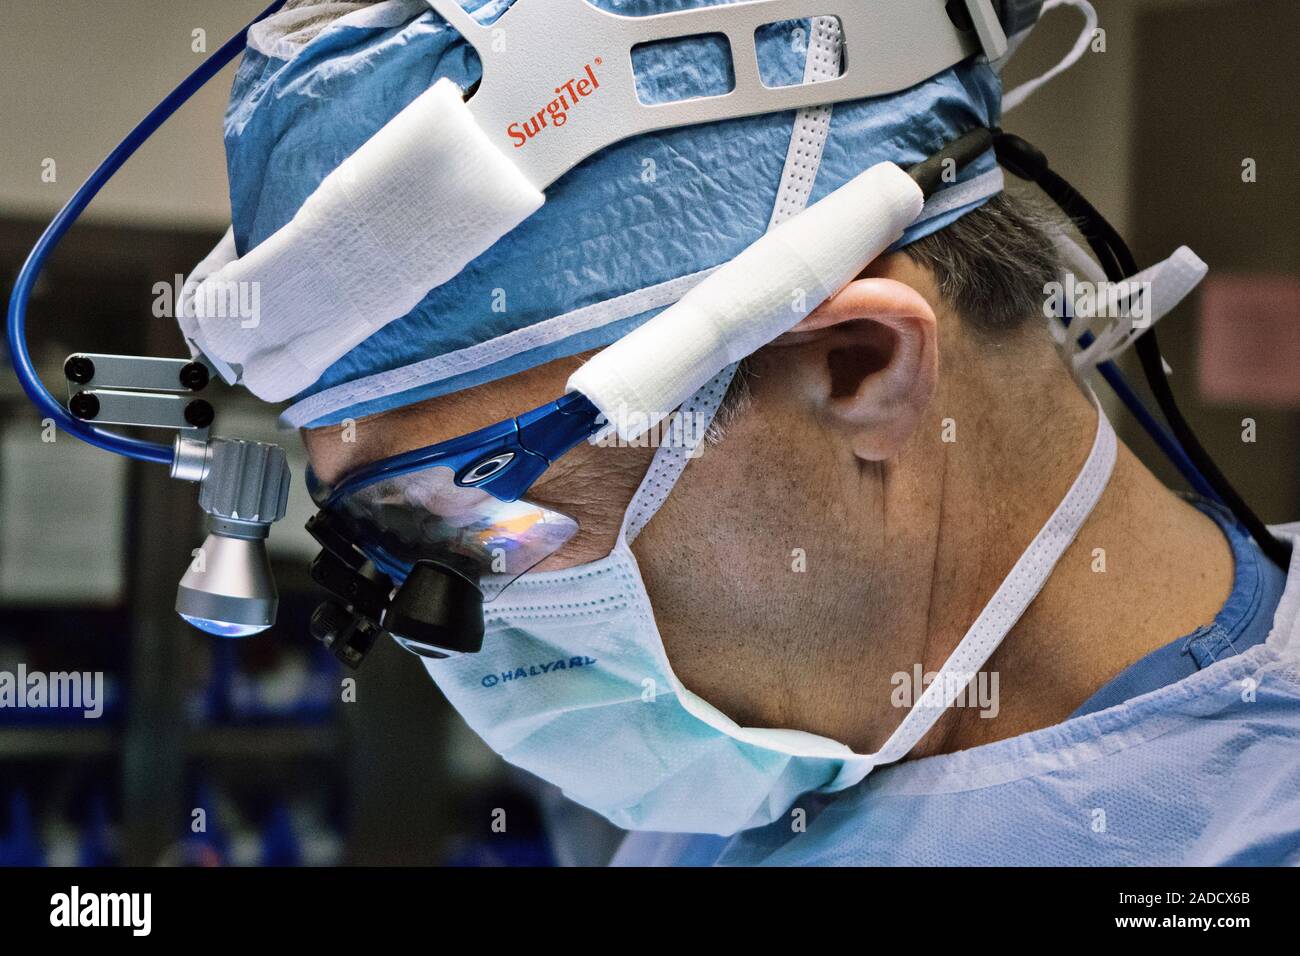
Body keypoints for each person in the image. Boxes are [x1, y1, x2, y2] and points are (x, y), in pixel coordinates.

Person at [212, 0, 1300, 865]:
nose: (452, 629)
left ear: (857, 366)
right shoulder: (749, 779)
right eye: (381, 541)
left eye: (473, 517)